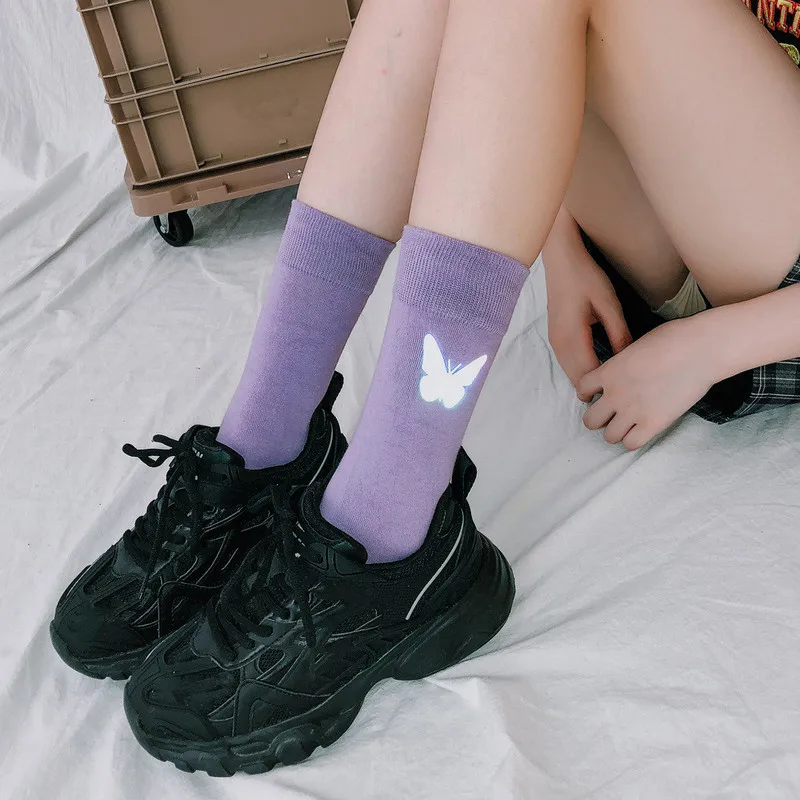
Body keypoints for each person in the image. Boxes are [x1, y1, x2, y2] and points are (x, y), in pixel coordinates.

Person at [50, 0, 800, 777]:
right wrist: (563, 241)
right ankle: (266, 441)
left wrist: (709, 350)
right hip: (682, 210)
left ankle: (387, 526)